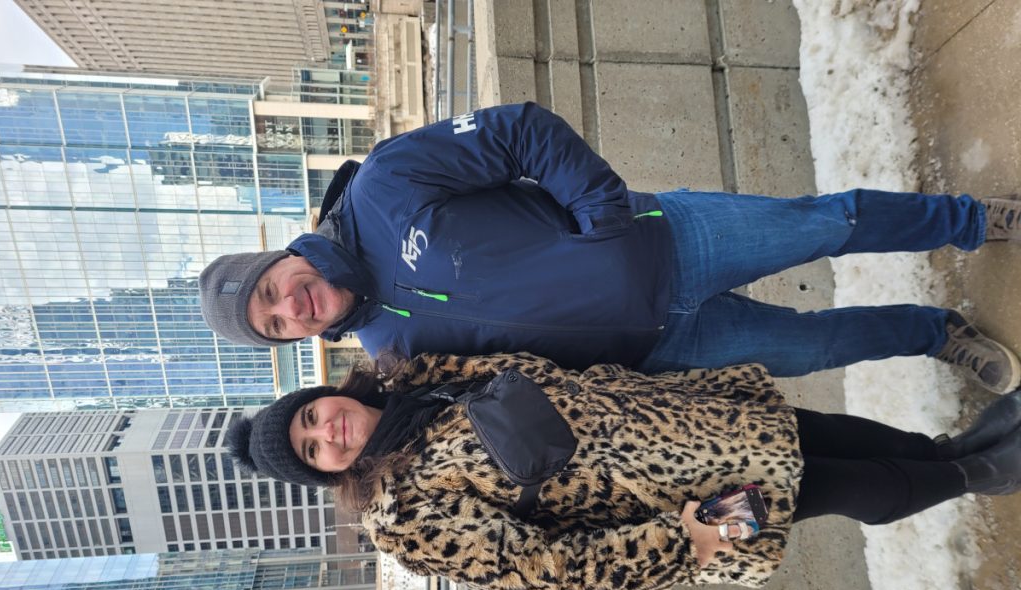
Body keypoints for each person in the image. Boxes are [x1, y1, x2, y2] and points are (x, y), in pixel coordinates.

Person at [200, 102, 1021, 393]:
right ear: (294, 339)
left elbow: (518, 131)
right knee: (813, 350)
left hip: (676, 244)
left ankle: (974, 222)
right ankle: (934, 334)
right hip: (663, 346)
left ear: (278, 259)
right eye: (275, 324)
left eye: (271, 290)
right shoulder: (389, 350)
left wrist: (603, 215)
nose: (289, 306)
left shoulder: (382, 186)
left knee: (826, 223)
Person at [224, 351, 1021, 590]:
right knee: (854, 487)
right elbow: (546, 574)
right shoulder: (404, 518)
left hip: (695, 421)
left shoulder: (417, 378)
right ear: (328, 472)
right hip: (682, 504)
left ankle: (965, 451)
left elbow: (534, 370)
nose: (325, 431)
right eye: (312, 450)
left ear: (321, 395)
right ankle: (988, 468)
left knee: (855, 438)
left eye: (309, 415)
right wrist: (686, 541)